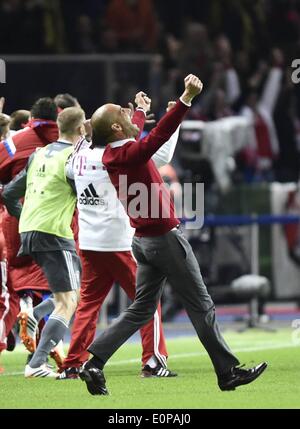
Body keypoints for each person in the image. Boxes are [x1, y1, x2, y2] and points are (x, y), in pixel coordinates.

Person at [78, 74, 267, 395]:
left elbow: (134, 135)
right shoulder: (130, 153)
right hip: (164, 239)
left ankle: (92, 363)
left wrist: (138, 111)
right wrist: (185, 100)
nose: (128, 113)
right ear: (116, 129)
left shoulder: (115, 152)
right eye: (122, 113)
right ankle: (228, 371)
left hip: (142, 241)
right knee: (201, 304)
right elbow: (158, 136)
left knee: (140, 309)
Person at [58, 95, 180, 379]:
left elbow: (123, 140)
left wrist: (138, 114)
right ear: (112, 129)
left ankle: (73, 363)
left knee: (88, 304)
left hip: (88, 241)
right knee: (147, 301)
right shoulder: (112, 157)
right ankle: (152, 361)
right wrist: (169, 121)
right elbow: (156, 154)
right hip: (118, 240)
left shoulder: (78, 153)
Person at [1, 107, 86, 378]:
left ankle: (34, 314)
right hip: (54, 232)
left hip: (29, 230)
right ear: (81, 129)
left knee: (75, 290)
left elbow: (10, 193)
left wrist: (24, 215)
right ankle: (36, 364)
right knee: (67, 302)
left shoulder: (39, 154)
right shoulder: (73, 158)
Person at [0, 97, 59, 358]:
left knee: (15, 281)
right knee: (62, 286)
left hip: (14, 218)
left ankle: (21, 318)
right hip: (52, 217)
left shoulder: (15, 142)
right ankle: (46, 344)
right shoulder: (68, 136)